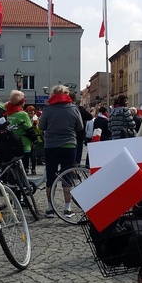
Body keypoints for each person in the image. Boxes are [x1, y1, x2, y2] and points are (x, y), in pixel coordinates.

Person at [38, 85, 83, 218]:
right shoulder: (73, 108)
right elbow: (80, 127)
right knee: (67, 175)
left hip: (51, 145)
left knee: (51, 176)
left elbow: (41, 126)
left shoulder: (48, 108)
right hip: (69, 145)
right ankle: (67, 208)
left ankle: (50, 208)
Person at [5, 90, 35, 174]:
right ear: (22, 102)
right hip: (24, 143)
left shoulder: (9, 113)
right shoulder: (23, 114)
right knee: (24, 167)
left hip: (12, 142)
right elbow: (29, 129)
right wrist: (35, 139)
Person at [69, 92, 93, 165]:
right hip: (79, 134)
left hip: (68, 135)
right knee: (78, 153)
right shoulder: (80, 109)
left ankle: (70, 168)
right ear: (75, 99)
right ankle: (75, 168)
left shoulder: (63, 108)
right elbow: (89, 117)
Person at [25, 105, 41, 174]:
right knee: (27, 156)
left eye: (33, 112)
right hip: (28, 139)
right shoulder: (26, 119)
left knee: (33, 156)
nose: (31, 114)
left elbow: (39, 130)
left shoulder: (36, 120)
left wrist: (35, 125)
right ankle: (26, 168)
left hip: (34, 139)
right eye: (30, 112)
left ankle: (33, 169)